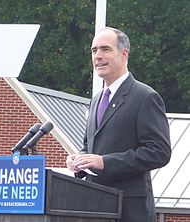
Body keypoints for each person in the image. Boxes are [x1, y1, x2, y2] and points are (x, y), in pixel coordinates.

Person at [66, 27, 171, 222]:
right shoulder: (96, 99)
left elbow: (159, 152)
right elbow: (90, 147)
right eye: (94, 50)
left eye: (105, 49)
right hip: (95, 208)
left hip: (129, 211)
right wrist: (79, 160)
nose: (98, 56)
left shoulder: (145, 97)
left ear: (124, 54)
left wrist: (105, 162)